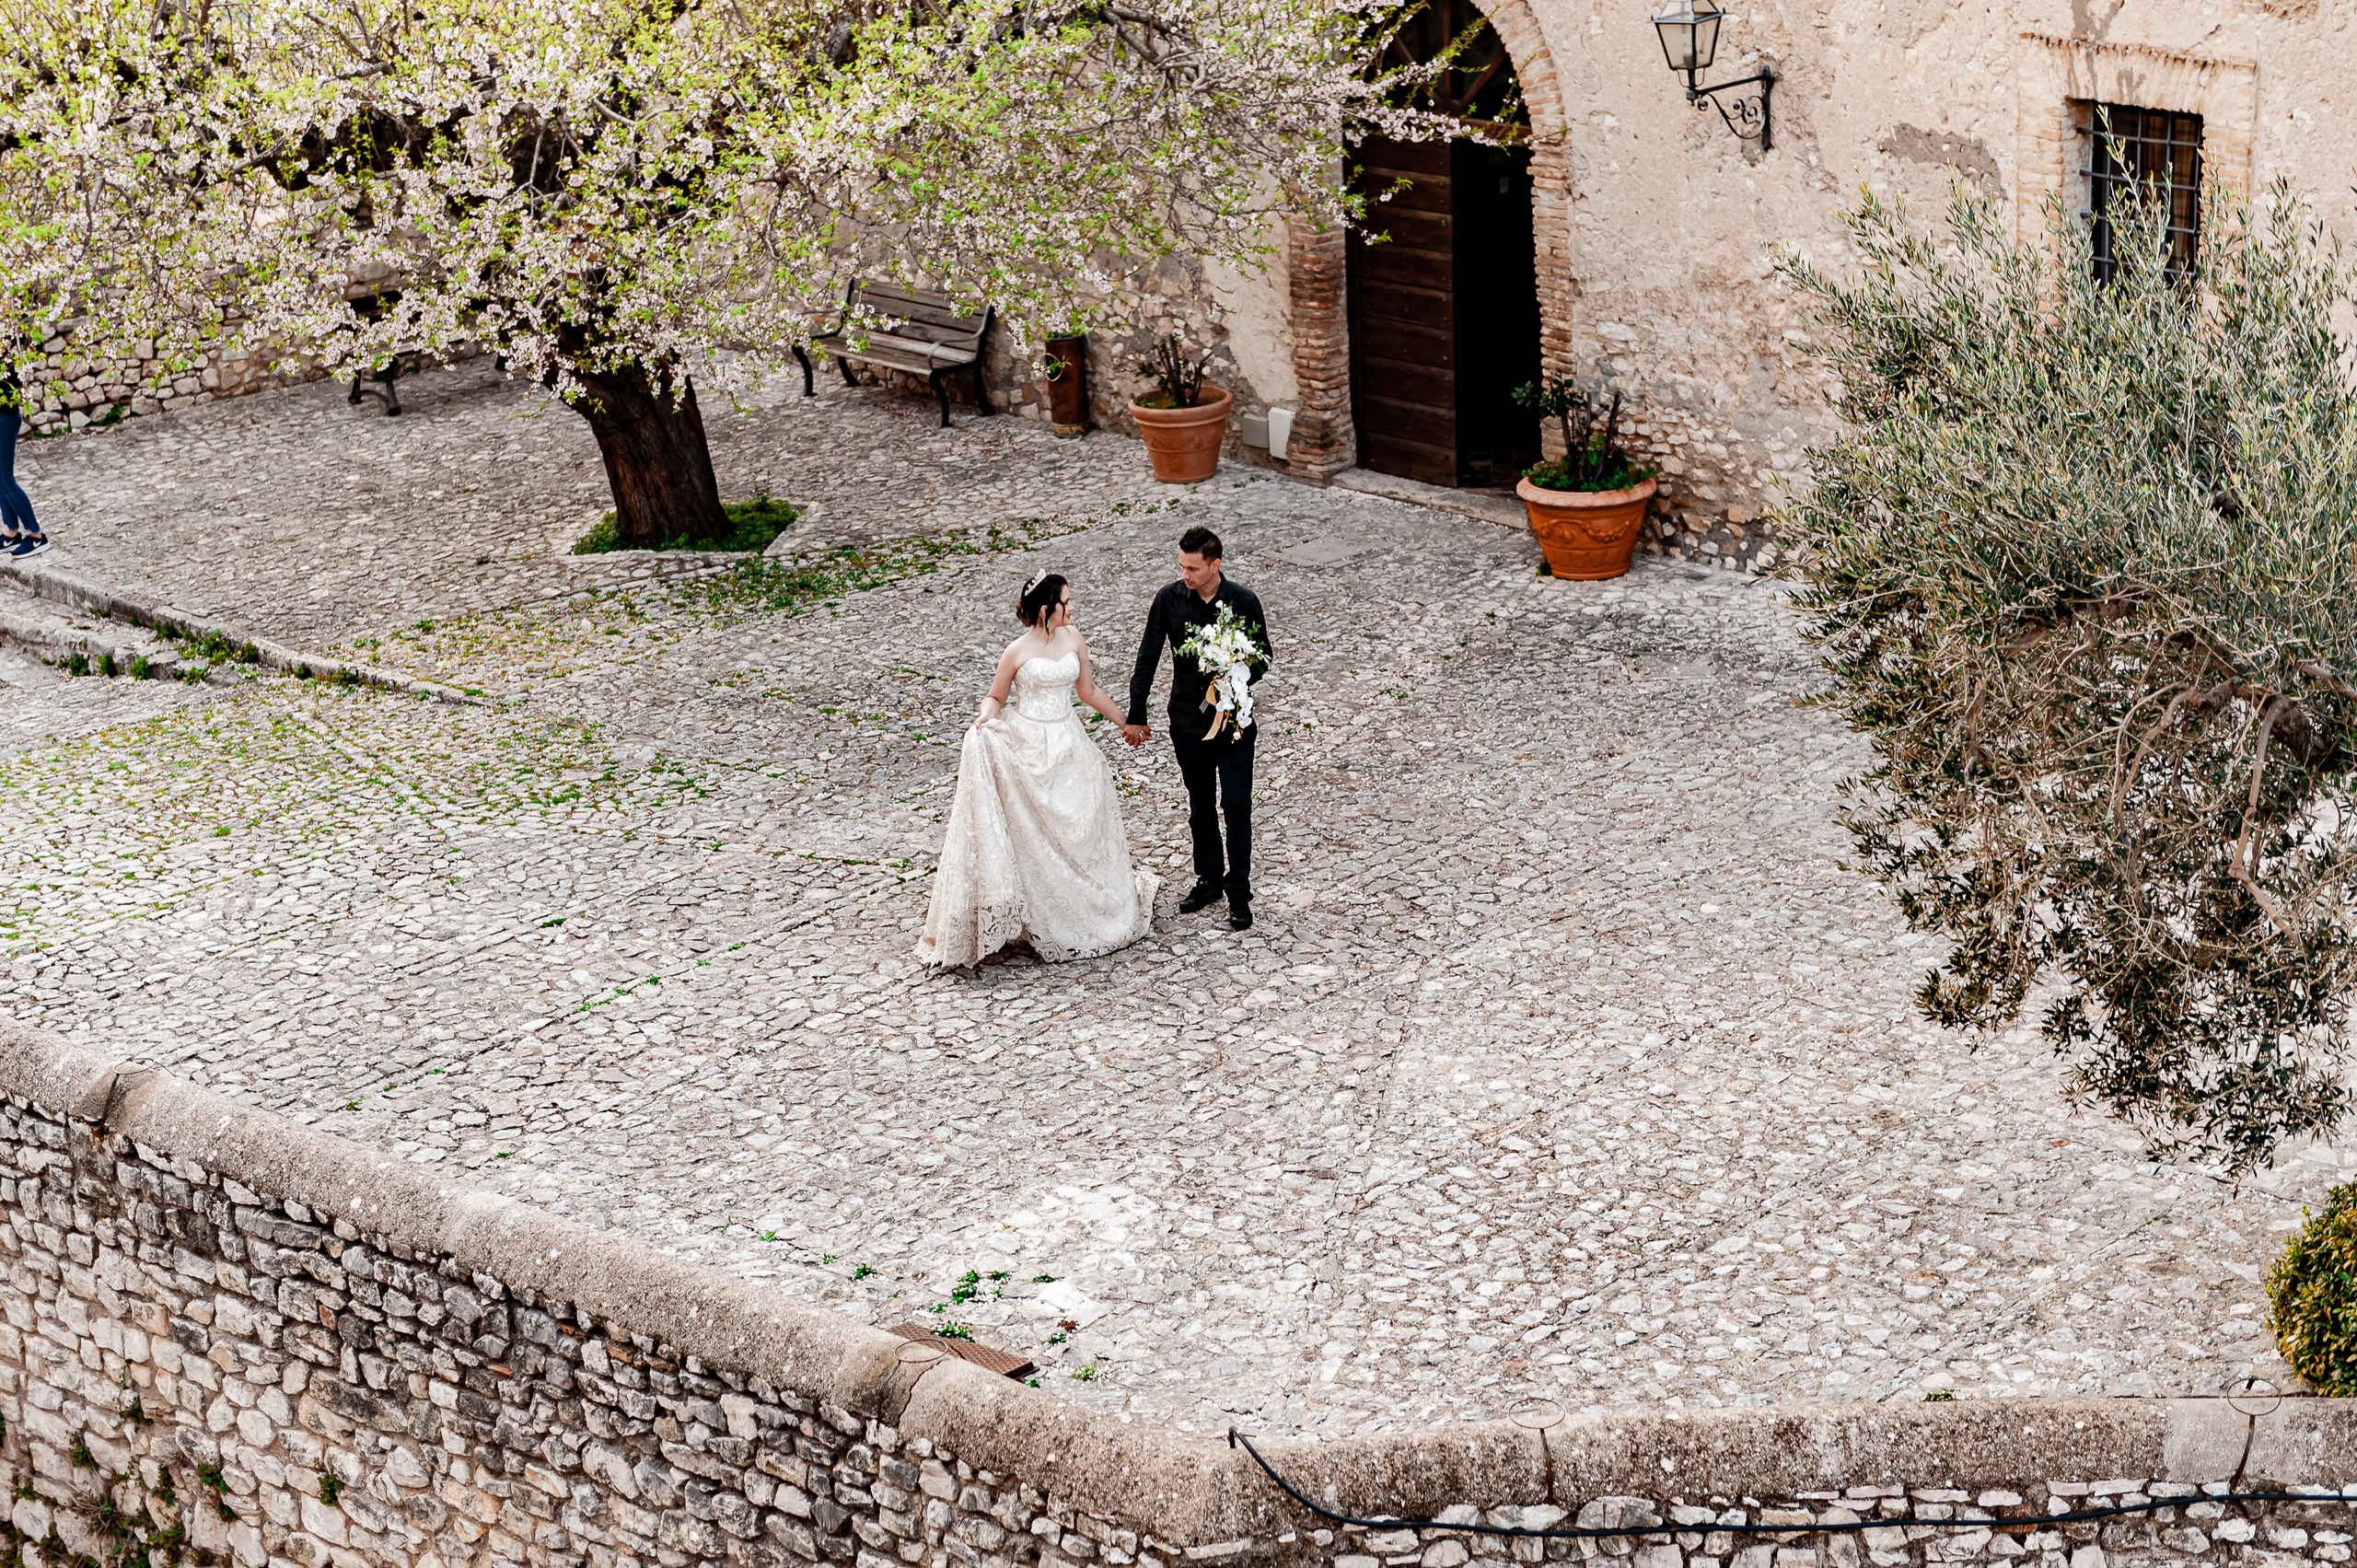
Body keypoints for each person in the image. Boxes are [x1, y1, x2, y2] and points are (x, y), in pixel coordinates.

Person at [916, 571, 1160, 969]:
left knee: (1080, 823)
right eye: (1067, 600)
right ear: (1047, 610)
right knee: (1034, 833)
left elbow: (1088, 692)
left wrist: (1127, 723)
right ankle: (1041, 914)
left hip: (1068, 741)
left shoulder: (1074, 638)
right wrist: (982, 720)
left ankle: (1085, 910)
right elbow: (995, 696)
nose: (1073, 606)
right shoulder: (1015, 652)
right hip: (1027, 742)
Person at [1125, 526, 1270, 931]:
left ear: (1215, 565)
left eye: (1192, 568)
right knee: (1200, 804)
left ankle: (1239, 893)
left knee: (1237, 804)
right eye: (1181, 566)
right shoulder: (1168, 600)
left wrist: (1234, 673)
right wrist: (1137, 713)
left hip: (1234, 724)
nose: (1184, 575)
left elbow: (1264, 657)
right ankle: (1208, 879)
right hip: (1187, 722)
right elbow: (1147, 657)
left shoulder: (1243, 602)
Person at [0, 361, 47, 559]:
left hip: (4, 418)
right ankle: (11, 533)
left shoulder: (9, 345)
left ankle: (36, 535)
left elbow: (13, 380)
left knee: (6, 481)